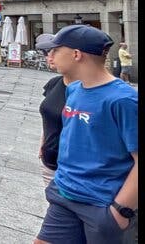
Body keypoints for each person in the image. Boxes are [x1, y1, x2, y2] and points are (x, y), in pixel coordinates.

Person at [33, 25, 138, 244]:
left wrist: (120, 210)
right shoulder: (74, 89)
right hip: (65, 193)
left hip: (101, 203)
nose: (50, 55)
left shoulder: (123, 100)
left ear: (76, 54)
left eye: (55, 50)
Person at [34, 33, 67, 186]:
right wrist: (43, 143)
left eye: (54, 51)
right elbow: (50, 117)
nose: (49, 56)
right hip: (50, 162)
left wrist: (117, 208)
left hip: (83, 177)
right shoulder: (54, 83)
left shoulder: (117, 97)